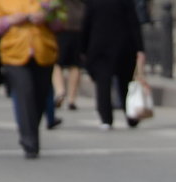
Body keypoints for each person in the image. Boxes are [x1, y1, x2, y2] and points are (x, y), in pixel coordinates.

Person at [0, 0, 57, 158]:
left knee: (39, 96)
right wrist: (11, 20)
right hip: (14, 54)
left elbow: (61, 21)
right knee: (25, 92)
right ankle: (29, 141)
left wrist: (47, 18)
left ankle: (31, 131)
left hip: (43, 52)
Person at [81, 0, 143, 130]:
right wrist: (140, 48)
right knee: (125, 83)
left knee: (103, 84)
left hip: (100, 46)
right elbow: (134, 23)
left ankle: (106, 118)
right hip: (123, 46)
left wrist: (83, 48)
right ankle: (130, 115)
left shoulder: (94, 3)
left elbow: (86, 24)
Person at [52, 0, 82, 109]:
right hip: (79, 25)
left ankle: (60, 91)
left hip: (62, 26)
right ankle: (71, 99)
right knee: (75, 64)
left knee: (56, 62)